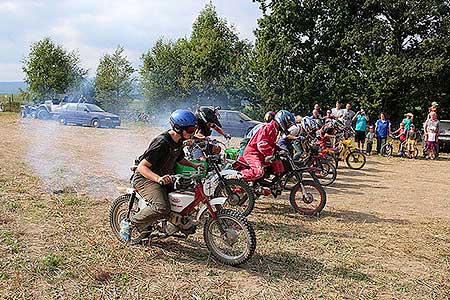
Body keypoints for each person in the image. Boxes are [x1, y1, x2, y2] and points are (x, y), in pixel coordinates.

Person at [120, 110, 204, 242]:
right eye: (190, 129)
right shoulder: (161, 143)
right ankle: (130, 223)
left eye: (194, 128)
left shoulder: (179, 140)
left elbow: (179, 158)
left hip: (164, 178)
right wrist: (158, 179)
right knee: (162, 207)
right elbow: (142, 167)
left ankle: (173, 223)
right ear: (178, 128)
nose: (193, 132)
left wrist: (194, 165)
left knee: (185, 194)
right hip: (145, 178)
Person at [239, 110, 295, 183]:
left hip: (260, 154)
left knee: (278, 164)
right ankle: (237, 176)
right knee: (259, 172)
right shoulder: (269, 127)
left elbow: (271, 144)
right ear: (282, 120)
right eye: (288, 124)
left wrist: (279, 149)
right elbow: (262, 145)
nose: (288, 126)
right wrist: (273, 152)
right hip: (252, 153)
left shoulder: (275, 129)